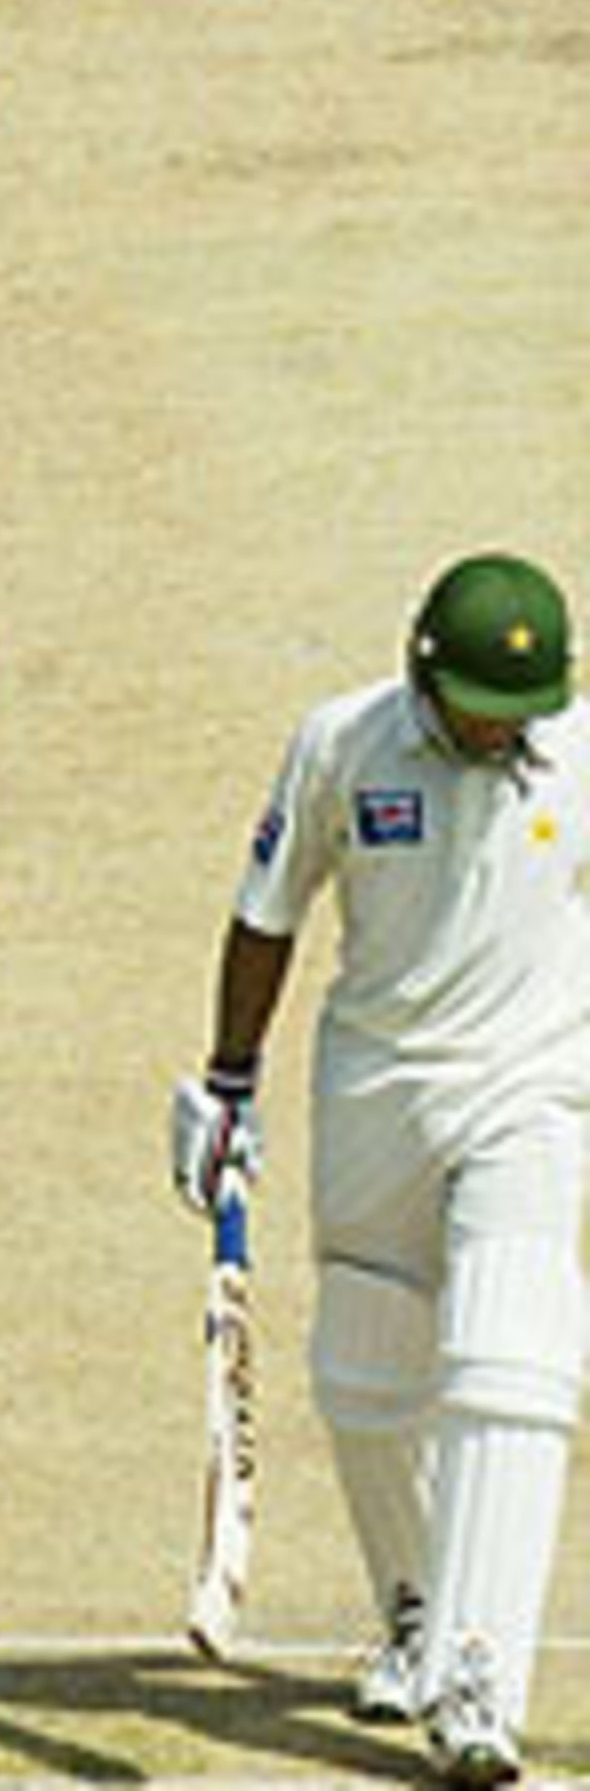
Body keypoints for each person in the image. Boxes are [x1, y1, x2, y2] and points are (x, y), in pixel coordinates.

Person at [171, 552, 590, 1788]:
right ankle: (412, 1613)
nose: (503, 726)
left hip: (531, 1087)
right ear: (424, 674)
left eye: (524, 708)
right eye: (479, 703)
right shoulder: (342, 743)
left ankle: (478, 1679)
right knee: (362, 1370)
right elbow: (266, 909)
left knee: (508, 1356)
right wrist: (226, 1082)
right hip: (372, 1089)